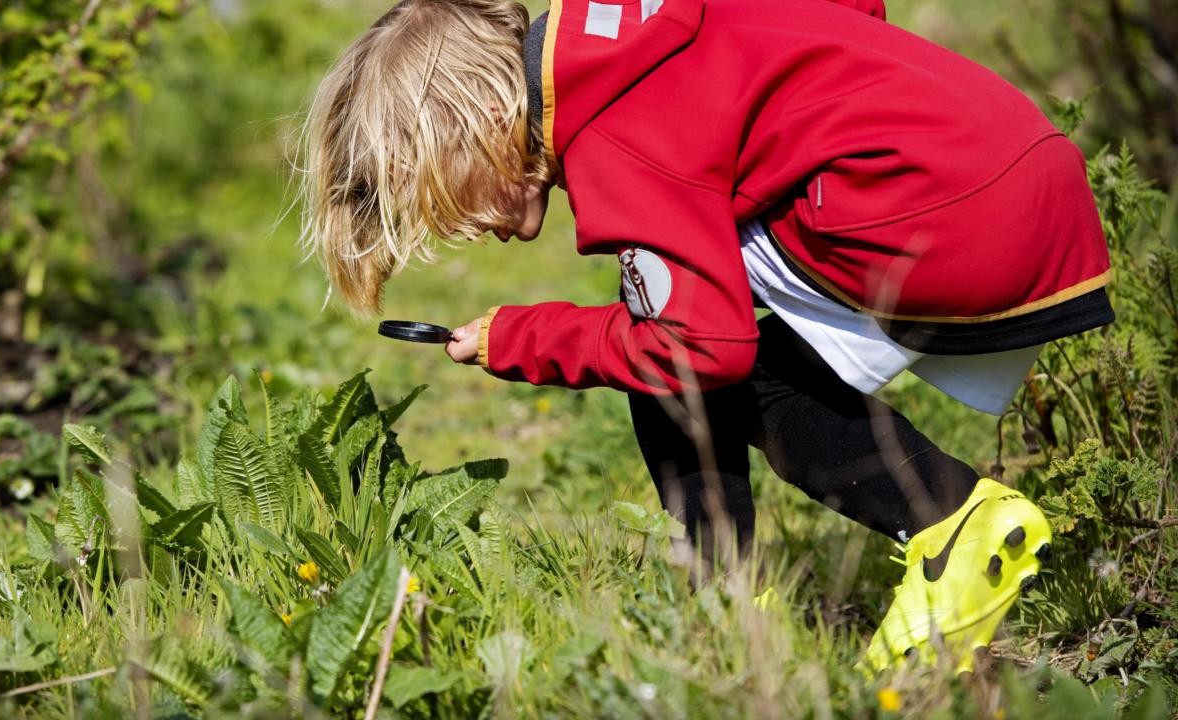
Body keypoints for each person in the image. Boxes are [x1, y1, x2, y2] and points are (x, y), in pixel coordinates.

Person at [297, 0, 1112, 674]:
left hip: (942, 216)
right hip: (1013, 168)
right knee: (664, 349)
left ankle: (955, 528)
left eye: (452, 195)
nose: (473, 228)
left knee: (683, 351)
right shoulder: (629, 31)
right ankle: (727, 611)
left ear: (472, 124)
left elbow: (700, 349)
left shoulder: (611, 127)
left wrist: (527, 336)